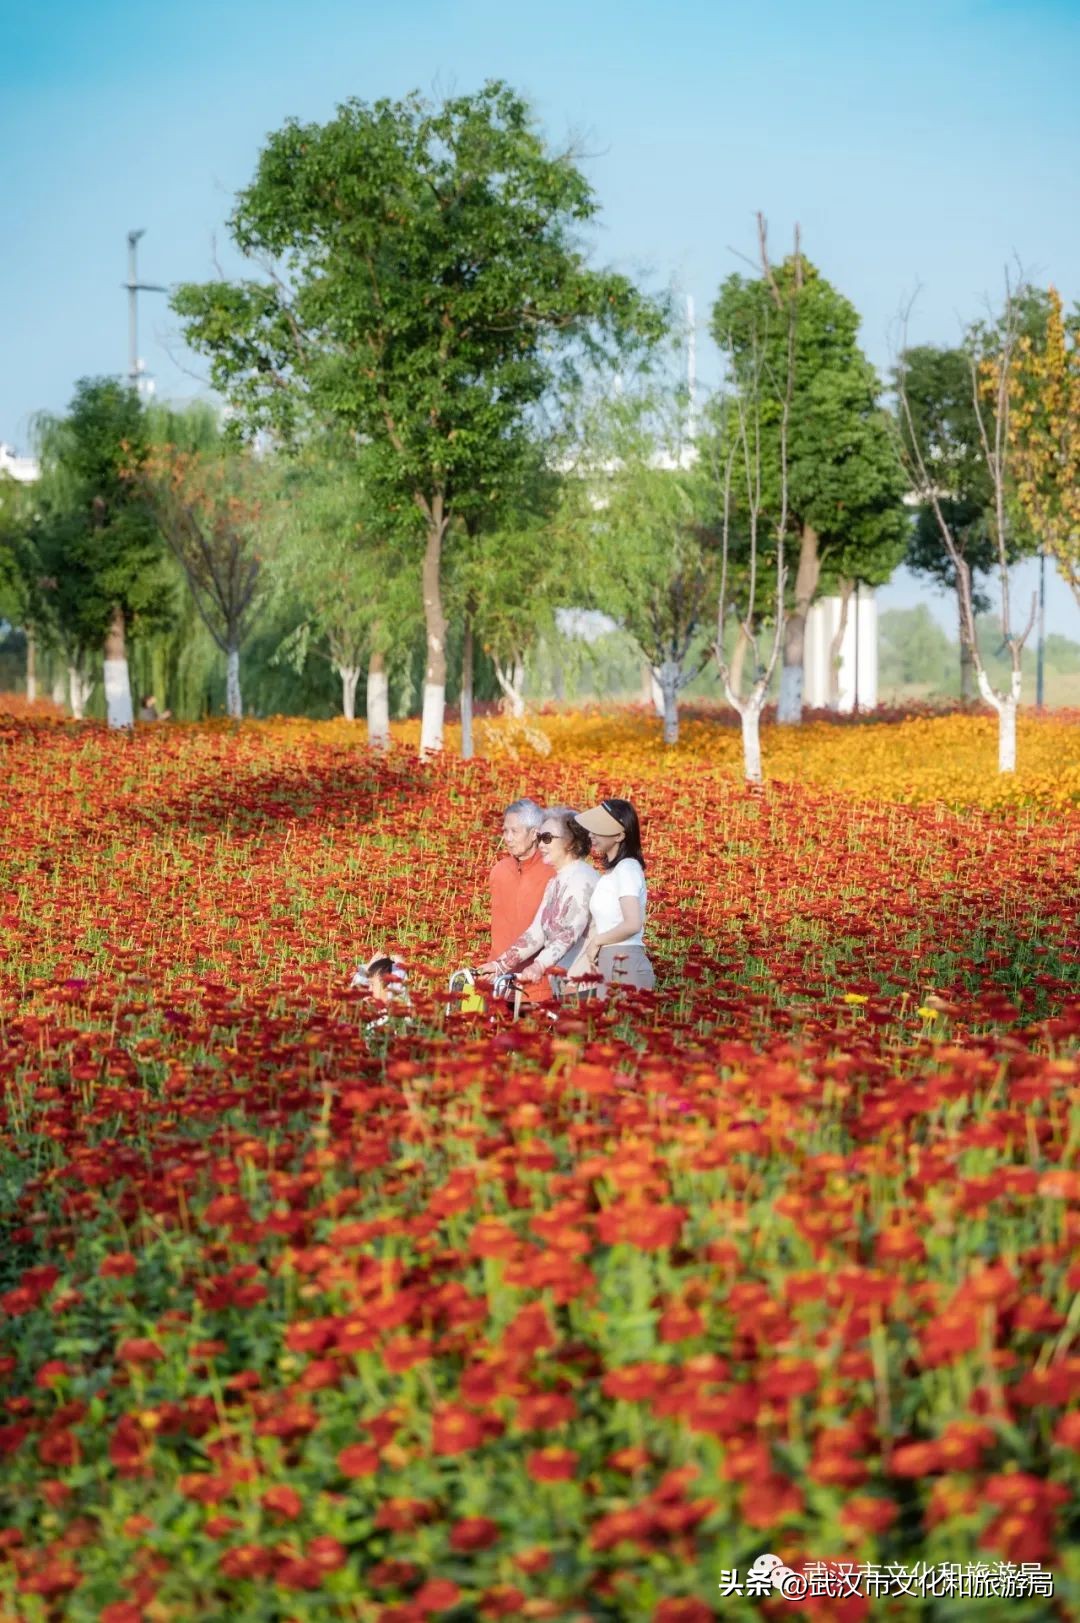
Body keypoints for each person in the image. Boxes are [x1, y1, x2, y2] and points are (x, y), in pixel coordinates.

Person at [480, 807, 597, 995]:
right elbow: (537, 932)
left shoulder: (581, 878)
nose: (540, 845)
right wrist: (500, 965)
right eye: (540, 837)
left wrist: (538, 966)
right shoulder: (556, 881)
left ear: (570, 842)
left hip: (585, 984)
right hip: (564, 982)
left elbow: (568, 933)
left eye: (547, 838)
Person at [570, 799, 655, 997]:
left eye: (599, 829)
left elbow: (633, 923)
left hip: (626, 964)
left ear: (619, 835)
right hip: (612, 962)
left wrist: (597, 941)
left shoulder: (627, 868)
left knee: (623, 1026)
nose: (591, 834)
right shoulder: (614, 871)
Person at [488, 797, 552, 1003]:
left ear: (534, 834)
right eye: (505, 831)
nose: (507, 838)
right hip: (498, 978)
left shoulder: (553, 872)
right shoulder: (499, 870)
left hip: (537, 981)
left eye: (514, 831)